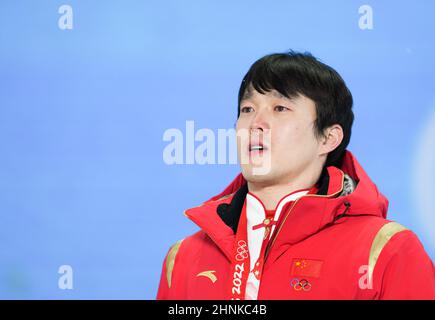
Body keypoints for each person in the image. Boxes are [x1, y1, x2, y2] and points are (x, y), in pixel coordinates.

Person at [156, 51, 435, 299]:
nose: (256, 123)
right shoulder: (183, 258)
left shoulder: (386, 251)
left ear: (328, 138)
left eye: (280, 108)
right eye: (247, 109)